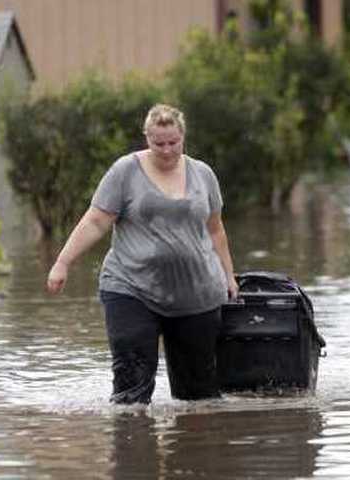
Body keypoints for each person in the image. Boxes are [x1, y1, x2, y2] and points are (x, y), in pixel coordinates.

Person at [46, 104, 238, 404]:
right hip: (131, 287)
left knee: (199, 397)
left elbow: (215, 230)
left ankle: (196, 449)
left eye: (173, 143)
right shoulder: (125, 171)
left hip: (196, 294)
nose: (166, 150)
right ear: (146, 138)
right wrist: (62, 263)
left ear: (183, 137)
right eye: (158, 143)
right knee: (131, 390)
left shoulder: (203, 174)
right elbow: (96, 221)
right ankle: (131, 444)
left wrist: (229, 275)